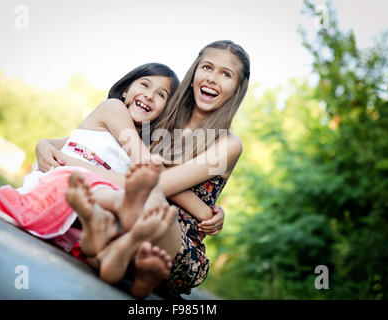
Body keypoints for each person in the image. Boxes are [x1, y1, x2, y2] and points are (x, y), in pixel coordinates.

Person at [0, 62, 222, 298]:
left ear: (165, 110)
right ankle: (115, 229)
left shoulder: (145, 144)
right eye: (145, 85)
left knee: (105, 239)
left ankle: (126, 270)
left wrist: (209, 212)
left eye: (161, 95)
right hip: (66, 185)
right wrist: (42, 144)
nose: (149, 96)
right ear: (126, 89)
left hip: (91, 214)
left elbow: (167, 183)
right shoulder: (113, 109)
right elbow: (146, 166)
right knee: (130, 194)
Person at [37, 40, 250, 297]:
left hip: (172, 240)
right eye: (207, 67)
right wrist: (45, 144)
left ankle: (121, 251)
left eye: (226, 74)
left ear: (237, 89)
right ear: (194, 74)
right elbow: (96, 142)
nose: (213, 78)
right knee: (127, 200)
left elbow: (156, 185)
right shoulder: (164, 115)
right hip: (127, 209)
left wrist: (73, 164)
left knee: (146, 193)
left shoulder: (227, 143)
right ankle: (115, 257)